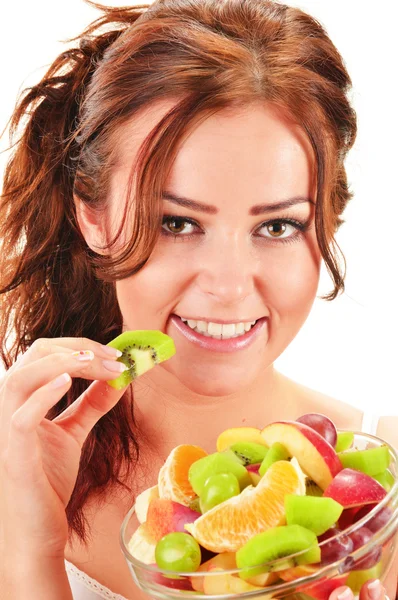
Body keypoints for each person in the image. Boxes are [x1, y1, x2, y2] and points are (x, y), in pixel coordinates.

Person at [0, 0, 396, 599]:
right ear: (93, 218)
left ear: (329, 225)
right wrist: (29, 553)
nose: (230, 284)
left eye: (279, 225)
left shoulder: (381, 494)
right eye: (176, 223)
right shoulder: (11, 468)